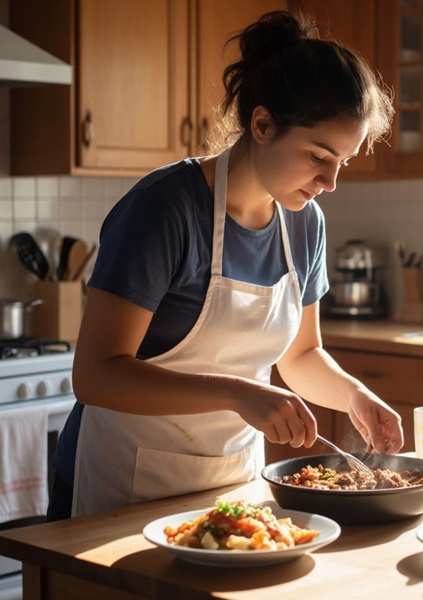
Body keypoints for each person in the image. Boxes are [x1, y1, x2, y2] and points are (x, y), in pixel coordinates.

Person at [47, 10, 402, 520]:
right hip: (121, 486)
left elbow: (301, 356)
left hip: (229, 486)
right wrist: (239, 394)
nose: (331, 181)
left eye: (342, 162)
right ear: (262, 124)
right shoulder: (163, 209)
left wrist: (356, 396)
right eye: (319, 156)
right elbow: (96, 376)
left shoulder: (305, 224)